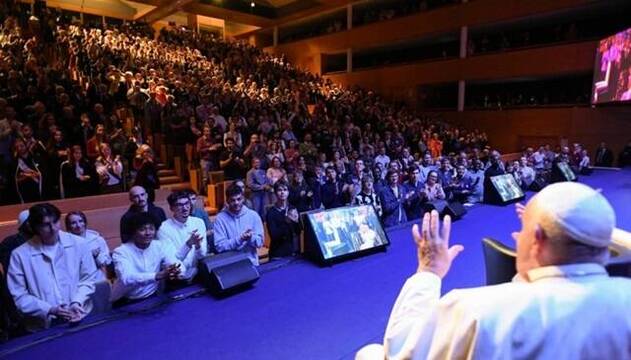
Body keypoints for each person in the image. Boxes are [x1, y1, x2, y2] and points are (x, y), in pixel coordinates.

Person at [357, 182, 631, 359]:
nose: (516, 235)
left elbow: (399, 351)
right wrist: (572, 218)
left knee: (368, 353)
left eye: (522, 230)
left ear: (537, 238)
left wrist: (428, 272)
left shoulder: (476, 311)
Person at [7, 204, 97, 330]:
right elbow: (19, 295)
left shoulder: (79, 244)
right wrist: (49, 309)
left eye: (55, 222)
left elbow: (88, 278)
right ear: (35, 227)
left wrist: (77, 301)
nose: (53, 228)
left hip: (81, 314)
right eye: (46, 225)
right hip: (43, 325)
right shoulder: (20, 255)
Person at [111, 212, 184, 303]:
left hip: (152, 296)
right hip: (125, 300)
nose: (148, 233)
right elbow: (127, 278)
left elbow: (173, 261)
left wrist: (176, 269)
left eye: (151, 229)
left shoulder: (160, 245)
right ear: (133, 232)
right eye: (142, 229)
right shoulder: (121, 252)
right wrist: (157, 275)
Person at [157, 191, 208, 281]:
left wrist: (198, 246)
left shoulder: (198, 222)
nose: (185, 208)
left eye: (187, 203)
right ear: (172, 208)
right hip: (177, 278)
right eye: (179, 205)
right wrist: (188, 245)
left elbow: (202, 256)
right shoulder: (164, 228)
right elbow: (173, 261)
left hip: (198, 273)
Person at [214, 183, 264, 266]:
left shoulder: (253, 215)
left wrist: (250, 237)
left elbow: (260, 243)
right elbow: (220, 247)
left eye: (239, 199)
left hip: (251, 263)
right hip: (230, 265)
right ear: (227, 201)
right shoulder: (220, 219)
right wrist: (239, 239)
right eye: (232, 200)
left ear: (243, 198)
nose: (236, 203)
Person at [65, 211, 111, 281]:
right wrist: (89, 256)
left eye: (81, 221)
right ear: (68, 226)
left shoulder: (97, 239)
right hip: (79, 283)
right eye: (73, 223)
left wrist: (97, 257)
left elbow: (106, 262)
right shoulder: (65, 243)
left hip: (98, 281)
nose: (78, 225)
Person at [266, 181, 301, 258]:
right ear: (275, 193)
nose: (282, 192)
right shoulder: (271, 212)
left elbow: (298, 231)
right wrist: (286, 221)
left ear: (288, 192)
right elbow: (274, 235)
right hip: (277, 254)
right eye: (279, 190)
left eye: (285, 190)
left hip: (291, 251)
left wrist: (296, 222)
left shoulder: (292, 208)